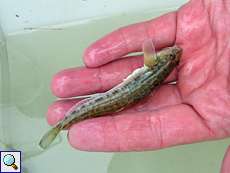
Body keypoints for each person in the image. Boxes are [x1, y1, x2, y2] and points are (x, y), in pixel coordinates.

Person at [46, 0, 230, 172]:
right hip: (123, 95)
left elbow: (148, 46)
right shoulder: (156, 68)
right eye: (173, 56)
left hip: (122, 96)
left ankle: (63, 124)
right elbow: (148, 47)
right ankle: (63, 124)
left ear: (162, 61)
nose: (175, 52)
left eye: (172, 56)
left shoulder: (154, 65)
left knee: (97, 109)